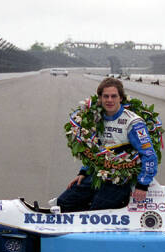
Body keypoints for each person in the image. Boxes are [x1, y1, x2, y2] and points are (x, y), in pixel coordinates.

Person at [57, 78, 158, 212]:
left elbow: (149, 154)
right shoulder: (95, 117)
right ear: (100, 98)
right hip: (99, 174)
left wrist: (142, 185)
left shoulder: (133, 122)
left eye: (113, 96)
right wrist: (84, 172)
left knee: (96, 211)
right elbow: (94, 150)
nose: (109, 100)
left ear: (121, 98)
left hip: (120, 179)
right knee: (64, 202)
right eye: (105, 96)